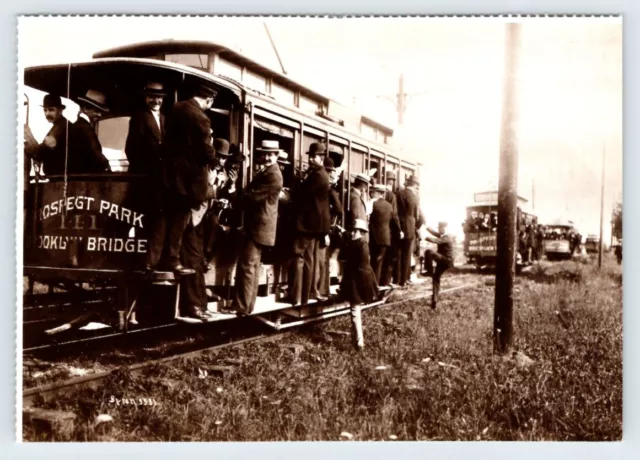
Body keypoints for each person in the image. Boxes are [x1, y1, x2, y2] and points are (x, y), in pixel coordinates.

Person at [149, 82, 218, 276]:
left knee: (163, 220)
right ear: (209, 100)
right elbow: (205, 151)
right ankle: (172, 260)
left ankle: (152, 261)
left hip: (168, 175)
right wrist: (215, 161)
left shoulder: (176, 108)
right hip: (186, 181)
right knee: (179, 221)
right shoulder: (201, 118)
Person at [229, 140, 283, 315]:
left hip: (258, 226)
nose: (266, 157)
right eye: (264, 154)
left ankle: (242, 307)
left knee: (247, 267)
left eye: (270, 154)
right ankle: (246, 306)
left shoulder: (273, 175)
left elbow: (252, 197)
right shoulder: (269, 172)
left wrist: (234, 199)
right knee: (250, 266)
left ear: (276, 155)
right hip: (260, 226)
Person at [288, 142, 331, 307]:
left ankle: (296, 297)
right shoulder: (322, 174)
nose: (311, 160)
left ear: (321, 158)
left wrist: (296, 186)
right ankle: (304, 296)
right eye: (310, 156)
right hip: (313, 225)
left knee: (298, 258)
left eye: (314, 157)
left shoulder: (317, 176)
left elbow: (301, 197)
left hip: (304, 224)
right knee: (308, 260)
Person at [339, 218, 379, 350]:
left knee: (355, 311)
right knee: (355, 311)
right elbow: (348, 238)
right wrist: (342, 230)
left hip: (358, 281)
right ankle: (357, 341)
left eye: (354, 231)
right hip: (355, 280)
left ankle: (359, 343)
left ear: (361, 232)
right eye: (352, 230)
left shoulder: (361, 245)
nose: (352, 233)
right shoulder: (358, 242)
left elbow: (361, 267)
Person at [24, 94, 71, 177]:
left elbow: (38, 152)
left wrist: (27, 135)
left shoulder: (61, 128)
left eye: (51, 110)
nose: (47, 114)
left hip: (62, 179)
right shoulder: (59, 126)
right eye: (45, 110)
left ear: (60, 110)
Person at [316, 157, 344, 299]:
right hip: (327, 227)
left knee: (322, 259)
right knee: (323, 260)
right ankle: (323, 290)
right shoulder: (330, 189)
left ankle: (321, 290)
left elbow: (338, 209)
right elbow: (339, 210)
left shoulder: (325, 188)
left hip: (323, 228)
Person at [124, 82, 166, 176]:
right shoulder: (139, 118)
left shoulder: (163, 118)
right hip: (145, 174)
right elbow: (131, 150)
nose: (156, 101)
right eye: (152, 97)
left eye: (159, 97)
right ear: (145, 98)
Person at [70, 89, 112, 174]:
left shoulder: (78, 125)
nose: (100, 115)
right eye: (97, 111)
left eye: (100, 112)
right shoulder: (84, 127)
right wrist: (107, 167)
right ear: (85, 108)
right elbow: (97, 155)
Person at [369, 184, 398, 285]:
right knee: (380, 261)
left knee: (374, 261)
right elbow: (394, 221)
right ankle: (381, 283)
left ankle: (374, 285)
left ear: (378, 193)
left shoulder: (372, 203)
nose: (371, 194)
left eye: (372, 192)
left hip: (373, 237)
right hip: (385, 237)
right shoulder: (389, 205)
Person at [423, 221, 455, 309]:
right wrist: (426, 226)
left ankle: (429, 271)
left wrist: (424, 237)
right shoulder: (442, 234)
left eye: (441, 228)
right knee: (436, 278)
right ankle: (434, 301)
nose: (439, 230)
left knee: (428, 252)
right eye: (439, 228)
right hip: (442, 260)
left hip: (446, 260)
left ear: (445, 228)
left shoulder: (448, 236)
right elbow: (434, 233)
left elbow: (437, 240)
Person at [396, 175, 420, 286]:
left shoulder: (400, 193)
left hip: (400, 225)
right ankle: (404, 280)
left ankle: (398, 279)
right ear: (414, 185)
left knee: (399, 253)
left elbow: (396, 211)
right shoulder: (415, 197)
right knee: (406, 254)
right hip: (410, 225)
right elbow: (417, 215)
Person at [381, 170, 402, 286]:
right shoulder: (391, 196)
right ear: (391, 182)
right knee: (388, 257)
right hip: (388, 230)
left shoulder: (377, 192)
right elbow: (394, 215)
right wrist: (399, 230)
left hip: (377, 229)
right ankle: (386, 281)